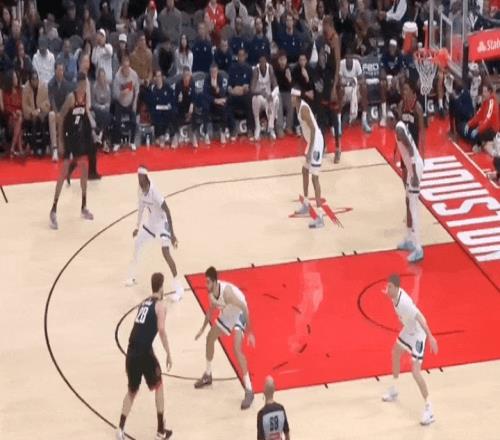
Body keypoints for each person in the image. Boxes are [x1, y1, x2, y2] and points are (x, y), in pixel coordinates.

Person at [116, 272, 173, 440]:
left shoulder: (144, 303)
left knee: (132, 391)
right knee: (159, 385)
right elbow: (161, 329)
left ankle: (120, 428)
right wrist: (168, 352)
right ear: (161, 287)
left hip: (131, 351)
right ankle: (160, 431)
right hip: (144, 352)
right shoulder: (160, 305)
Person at [194, 266, 256, 410]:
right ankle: (208, 375)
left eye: (208, 282)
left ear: (215, 282)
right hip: (228, 312)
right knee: (210, 338)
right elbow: (210, 311)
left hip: (240, 312)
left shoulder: (227, 293)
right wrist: (203, 328)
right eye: (206, 282)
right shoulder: (211, 294)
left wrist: (250, 332)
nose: (206, 285)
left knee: (236, 349)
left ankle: (249, 390)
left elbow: (244, 307)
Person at [381, 274, 438, 426]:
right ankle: (394, 389)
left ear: (396, 288)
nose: (387, 289)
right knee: (395, 353)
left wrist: (430, 337)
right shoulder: (393, 296)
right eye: (387, 286)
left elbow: (419, 318)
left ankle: (429, 409)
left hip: (419, 333)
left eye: (389, 287)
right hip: (409, 329)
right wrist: (387, 292)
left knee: (415, 372)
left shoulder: (404, 302)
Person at [125, 167, 183, 302]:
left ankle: (179, 290)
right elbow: (140, 208)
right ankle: (132, 277)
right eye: (137, 177)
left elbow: (167, 210)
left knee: (166, 253)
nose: (138, 180)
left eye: (140, 177)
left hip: (162, 222)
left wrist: (172, 234)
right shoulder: (140, 190)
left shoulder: (154, 192)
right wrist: (137, 227)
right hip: (151, 223)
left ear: (145, 177)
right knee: (138, 243)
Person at [49, 73, 94, 230]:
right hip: (68, 137)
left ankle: (83, 206)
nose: (84, 87)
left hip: (78, 138)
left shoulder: (85, 97)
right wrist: (60, 142)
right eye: (83, 84)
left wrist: (92, 132)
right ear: (78, 84)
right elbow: (61, 118)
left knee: (85, 168)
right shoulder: (71, 98)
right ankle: (53, 209)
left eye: (86, 85)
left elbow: (85, 115)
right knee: (63, 172)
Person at [391, 116, 424, 262]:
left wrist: (415, 174)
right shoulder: (399, 127)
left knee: (413, 207)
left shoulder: (399, 129)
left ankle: (418, 248)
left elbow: (410, 148)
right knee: (407, 202)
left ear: (392, 119)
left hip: (415, 170)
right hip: (412, 170)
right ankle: (409, 238)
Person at [292, 87, 326, 229]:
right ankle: (306, 204)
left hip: (316, 142)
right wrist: (303, 145)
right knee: (304, 170)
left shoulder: (304, 109)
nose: (290, 99)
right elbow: (305, 129)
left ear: (296, 97)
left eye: (292, 97)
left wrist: (310, 150)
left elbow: (312, 129)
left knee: (314, 178)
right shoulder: (297, 107)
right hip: (311, 141)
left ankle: (320, 217)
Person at [322, 15, 341, 163]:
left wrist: (334, 87)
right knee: (323, 115)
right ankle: (323, 145)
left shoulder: (335, 39)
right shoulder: (325, 38)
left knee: (334, 116)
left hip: (333, 80)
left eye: (325, 26)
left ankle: (338, 148)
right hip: (325, 79)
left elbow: (337, 64)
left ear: (329, 25)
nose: (323, 28)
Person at [112, 56, 140, 152]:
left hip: (130, 102)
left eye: (128, 67)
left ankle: (132, 142)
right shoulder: (117, 77)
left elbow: (137, 89)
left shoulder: (134, 74)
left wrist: (135, 102)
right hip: (120, 102)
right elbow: (115, 94)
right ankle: (117, 142)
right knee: (117, 122)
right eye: (125, 67)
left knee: (134, 122)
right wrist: (121, 94)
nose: (126, 69)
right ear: (122, 67)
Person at [48, 62, 73, 162]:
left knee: (71, 98)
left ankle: (70, 149)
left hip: (63, 112)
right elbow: (51, 100)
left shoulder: (66, 84)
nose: (61, 72)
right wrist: (57, 113)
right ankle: (54, 148)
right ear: (55, 71)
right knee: (51, 115)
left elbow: (67, 100)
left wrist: (61, 113)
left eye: (62, 70)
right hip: (55, 111)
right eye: (59, 70)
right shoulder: (50, 84)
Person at [251, 54, 280, 141]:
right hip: (260, 97)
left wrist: (272, 95)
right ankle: (257, 127)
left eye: (264, 62)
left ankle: (271, 128)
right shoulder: (256, 70)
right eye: (261, 62)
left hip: (268, 97)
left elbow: (276, 86)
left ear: (266, 62)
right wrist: (262, 93)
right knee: (255, 99)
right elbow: (252, 90)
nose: (263, 64)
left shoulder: (270, 68)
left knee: (276, 99)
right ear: (259, 63)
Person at [147, 69, 178, 148]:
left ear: (162, 77)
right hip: (158, 113)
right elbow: (152, 104)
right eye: (156, 76)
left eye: (159, 76)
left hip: (167, 111)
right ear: (154, 78)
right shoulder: (153, 90)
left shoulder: (167, 88)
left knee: (172, 113)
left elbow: (172, 99)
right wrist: (158, 108)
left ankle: (173, 137)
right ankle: (161, 136)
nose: (158, 78)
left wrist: (170, 105)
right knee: (157, 115)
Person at [228, 47, 254, 140]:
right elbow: (229, 85)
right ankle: (233, 130)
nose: (241, 57)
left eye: (242, 55)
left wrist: (245, 89)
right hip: (235, 94)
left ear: (245, 56)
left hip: (245, 94)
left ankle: (250, 129)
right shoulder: (232, 68)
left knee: (250, 101)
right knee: (228, 102)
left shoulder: (249, 68)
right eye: (239, 55)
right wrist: (232, 90)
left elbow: (251, 85)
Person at [465, 84, 499, 153]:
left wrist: (478, 129)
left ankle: (486, 144)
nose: (483, 94)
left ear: (489, 92)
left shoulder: (492, 103)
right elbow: (478, 115)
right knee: (470, 132)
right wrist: (469, 124)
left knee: (476, 138)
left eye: (485, 92)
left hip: (492, 129)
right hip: (485, 126)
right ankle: (483, 143)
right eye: (483, 91)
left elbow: (487, 120)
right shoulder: (485, 102)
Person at [203, 63, 231, 144]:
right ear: (210, 72)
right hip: (210, 101)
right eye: (212, 72)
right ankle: (206, 134)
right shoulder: (207, 78)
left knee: (224, 106)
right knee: (205, 107)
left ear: (217, 71)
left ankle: (223, 132)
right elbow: (205, 94)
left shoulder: (220, 77)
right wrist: (215, 100)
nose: (213, 74)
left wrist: (216, 87)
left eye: (215, 72)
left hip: (217, 101)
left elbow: (222, 93)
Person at [1, 70, 24, 157]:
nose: (16, 79)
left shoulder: (19, 91)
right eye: (14, 78)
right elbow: (5, 107)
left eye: (16, 77)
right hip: (10, 118)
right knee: (18, 120)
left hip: (19, 117)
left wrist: (19, 111)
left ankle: (13, 148)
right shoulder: (6, 92)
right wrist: (13, 112)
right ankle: (18, 148)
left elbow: (22, 105)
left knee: (19, 119)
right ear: (10, 79)